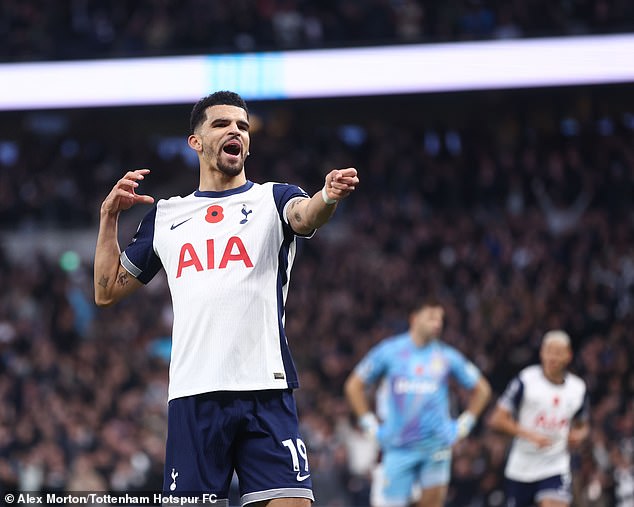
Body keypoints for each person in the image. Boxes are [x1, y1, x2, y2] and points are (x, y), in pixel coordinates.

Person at [93, 90, 359, 506]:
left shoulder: (273, 198)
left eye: (242, 126)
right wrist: (109, 218)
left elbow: (305, 216)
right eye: (221, 124)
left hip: (265, 392)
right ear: (195, 143)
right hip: (194, 397)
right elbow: (106, 291)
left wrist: (326, 197)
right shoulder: (166, 215)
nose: (235, 130)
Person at [344, 298, 491, 507]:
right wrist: (369, 424)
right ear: (414, 319)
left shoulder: (446, 355)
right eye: (431, 317)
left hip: (436, 446)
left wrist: (465, 424)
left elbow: (482, 389)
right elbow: (354, 385)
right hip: (398, 446)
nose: (437, 323)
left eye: (440, 318)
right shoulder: (390, 351)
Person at [487, 330, 590, 507]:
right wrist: (528, 434)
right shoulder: (525, 380)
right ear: (541, 353)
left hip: (555, 466)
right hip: (522, 467)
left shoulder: (578, 388)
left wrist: (579, 435)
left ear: (568, 356)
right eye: (549, 351)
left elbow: (582, 424)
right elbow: (496, 419)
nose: (552, 357)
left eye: (558, 353)